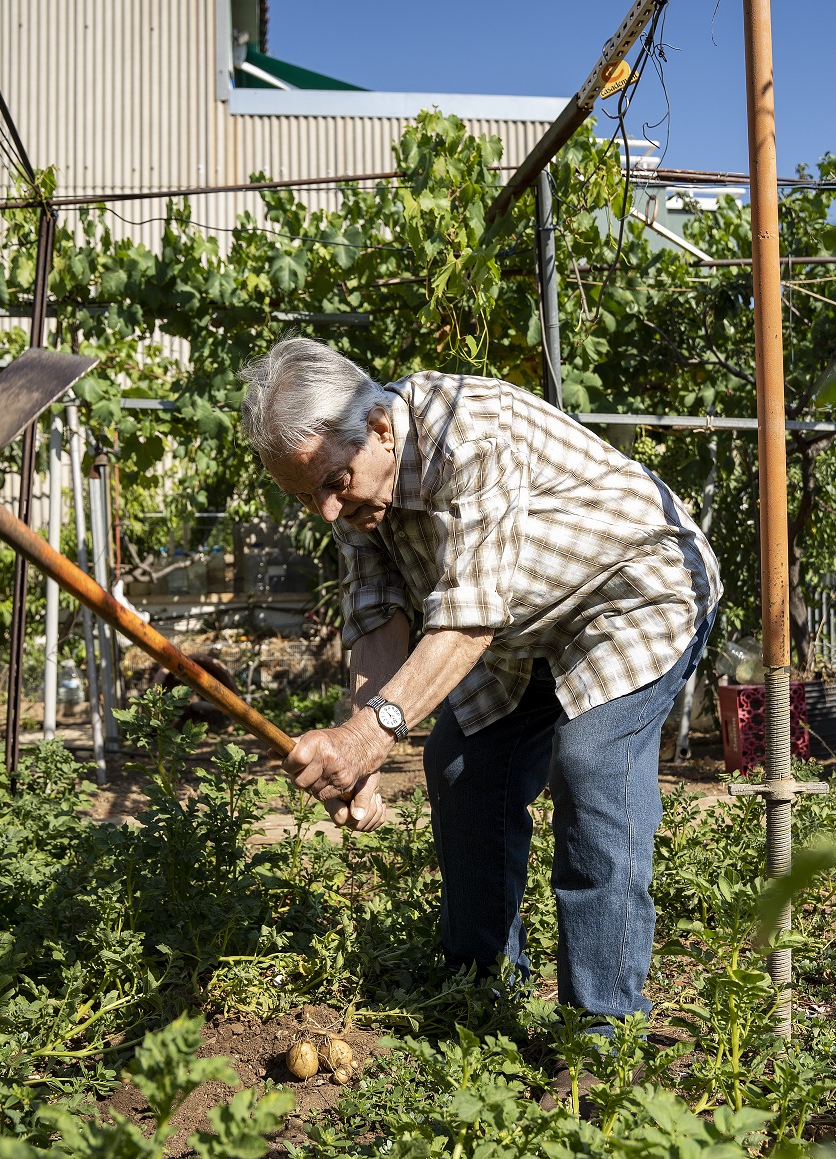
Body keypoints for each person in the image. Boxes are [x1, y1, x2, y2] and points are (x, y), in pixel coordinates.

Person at [239, 338, 720, 1023]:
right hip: (527, 620)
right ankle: (478, 995)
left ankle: (602, 1034)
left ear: (380, 429)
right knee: (462, 766)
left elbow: (467, 625)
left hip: (634, 591)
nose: (324, 510)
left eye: (332, 485)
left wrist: (369, 737)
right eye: (303, 495)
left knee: (592, 767)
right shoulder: (350, 485)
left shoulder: (470, 433)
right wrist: (361, 754)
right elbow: (377, 616)